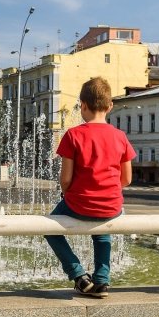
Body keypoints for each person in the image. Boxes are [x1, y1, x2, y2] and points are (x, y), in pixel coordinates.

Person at [43, 77, 135, 300]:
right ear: (110, 106)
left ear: (82, 105)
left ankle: (79, 275)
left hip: (79, 203)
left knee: (49, 229)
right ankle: (102, 280)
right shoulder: (120, 137)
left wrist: (70, 194)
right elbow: (127, 178)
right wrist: (107, 192)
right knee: (103, 233)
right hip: (111, 206)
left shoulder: (73, 135)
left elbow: (65, 179)